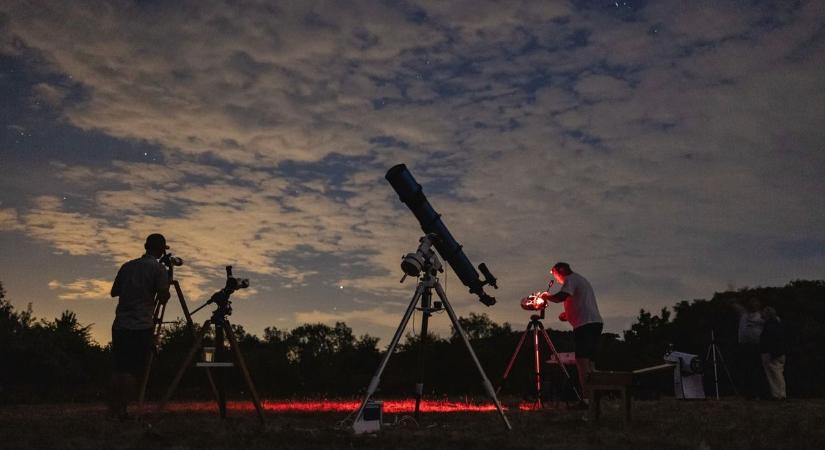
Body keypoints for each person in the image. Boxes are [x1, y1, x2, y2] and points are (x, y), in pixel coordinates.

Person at [109, 233, 171, 419]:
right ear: (161, 250)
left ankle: (114, 409)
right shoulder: (158, 269)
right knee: (133, 370)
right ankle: (123, 410)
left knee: (119, 368)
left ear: (145, 246)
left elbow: (114, 292)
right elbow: (163, 296)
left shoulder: (127, 266)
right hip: (141, 326)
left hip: (120, 324)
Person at [539, 262, 603, 404]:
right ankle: (594, 397)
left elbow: (561, 296)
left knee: (582, 362)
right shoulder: (580, 279)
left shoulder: (570, 279)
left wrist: (546, 296)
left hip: (585, 325)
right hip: (594, 323)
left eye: (555, 274)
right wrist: (567, 314)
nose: (556, 279)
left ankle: (586, 400)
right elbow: (581, 302)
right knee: (590, 363)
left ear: (560, 270)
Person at [733, 297, 766, 399]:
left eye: (755, 303)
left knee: (756, 370)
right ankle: (748, 393)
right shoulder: (744, 314)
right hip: (744, 346)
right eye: (751, 303)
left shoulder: (761, 315)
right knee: (746, 369)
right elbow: (736, 307)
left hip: (756, 346)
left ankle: (758, 393)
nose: (753, 305)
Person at [760, 306, 787, 400]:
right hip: (777, 352)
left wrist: (772, 352)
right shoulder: (777, 323)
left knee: (774, 374)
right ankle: (779, 394)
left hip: (771, 352)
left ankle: (779, 394)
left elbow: (771, 339)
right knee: (777, 373)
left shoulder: (770, 325)